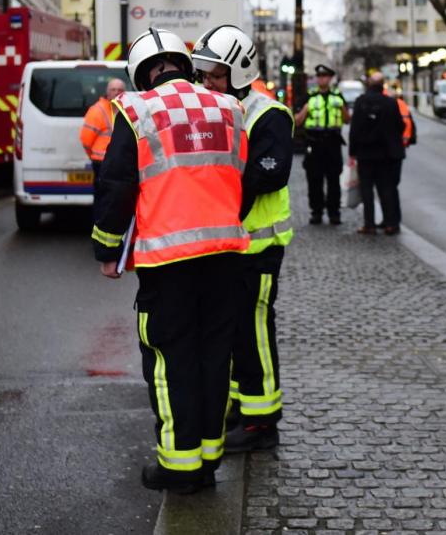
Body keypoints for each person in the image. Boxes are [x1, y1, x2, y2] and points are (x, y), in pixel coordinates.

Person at [89, 27, 249, 496]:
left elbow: (117, 186)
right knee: (216, 357)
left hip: (167, 262)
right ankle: (207, 458)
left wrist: (106, 250)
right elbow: (236, 175)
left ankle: (179, 465)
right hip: (225, 256)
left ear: (142, 72)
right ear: (184, 62)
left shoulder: (134, 110)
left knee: (169, 359)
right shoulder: (230, 108)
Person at [191, 25, 294, 454]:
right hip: (232, 245)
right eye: (204, 75)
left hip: (259, 246)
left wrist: (224, 193)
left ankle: (261, 421)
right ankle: (240, 404)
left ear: (239, 71)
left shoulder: (267, 114)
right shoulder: (223, 109)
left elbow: (270, 172)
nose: (207, 83)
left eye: (215, 75)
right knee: (235, 332)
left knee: (254, 331)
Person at [349, 71, 405, 236]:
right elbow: (400, 126)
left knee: (367, 191)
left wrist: (352, 152)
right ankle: (390, 224)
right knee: (386, 189)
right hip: (386, 154)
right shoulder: (390, 103)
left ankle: (370, 224)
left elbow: (354, 129)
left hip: (365, 154)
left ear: (368, 84)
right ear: (382, 85)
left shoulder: (360, 102)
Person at [295, 65, 349, 225]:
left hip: (333, 142)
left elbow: (347, 120)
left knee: (333, 179)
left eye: (325, 76)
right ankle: (316, 212)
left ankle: (334, 213)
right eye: (319, 76)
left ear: (330, 78)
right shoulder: (308, 97)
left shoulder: (338, 96)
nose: (322, 79)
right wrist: (305, 109)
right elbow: (297, 121)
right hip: (314, 143)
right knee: (314, 179)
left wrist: (342, 108)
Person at [79, 76, 125, 180]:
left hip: (121, 162)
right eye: (113, 89)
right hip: (102, 162)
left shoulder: (127, 109)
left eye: (120, 90)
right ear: (107, 92)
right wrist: (93, 156)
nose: (116, 92)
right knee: (102, 194)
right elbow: (86, 140)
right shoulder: (97, 110)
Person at [395, 83, 417, 150]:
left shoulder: (392, 104)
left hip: (399, 138)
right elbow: (410, 121)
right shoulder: (403, 104)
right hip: (405, 138)